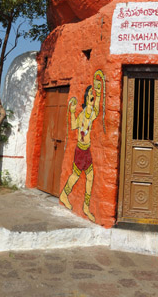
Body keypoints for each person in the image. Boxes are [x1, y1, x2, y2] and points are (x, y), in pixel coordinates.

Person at [60, 70, 105, 222]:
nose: (92, 97)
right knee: (76, 175)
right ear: (86, 98)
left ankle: (86, 206)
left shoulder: (91, 112)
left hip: (87, 150)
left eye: (93, 96)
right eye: (90, 95)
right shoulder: (83, 113)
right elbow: (73, 126)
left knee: (90, 177)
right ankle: (65, 194)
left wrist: (99, 92)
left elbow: (98, 109)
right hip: (80, 149)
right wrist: (72, 112)